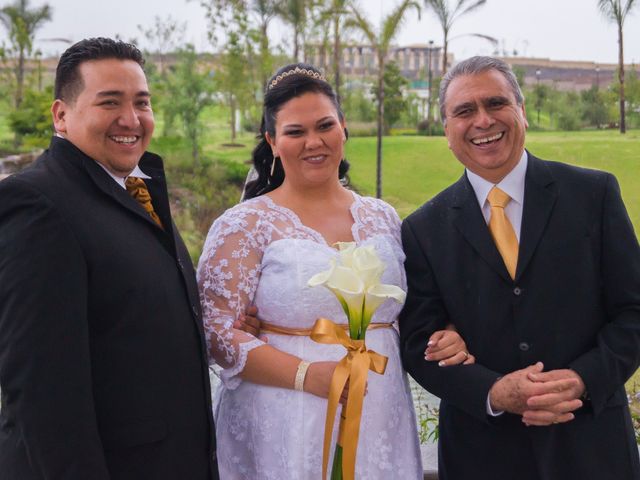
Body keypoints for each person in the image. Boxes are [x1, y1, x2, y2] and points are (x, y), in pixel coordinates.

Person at [197, 63, 472, 479]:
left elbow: (418, 305)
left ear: (343, 128)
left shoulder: (383, 217)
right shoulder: (244, 225)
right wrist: (310, 376)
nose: (314, 142)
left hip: (380, 409)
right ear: (272, 141)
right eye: (295, 132)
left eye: (325, 125)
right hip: (286, 413)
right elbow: (215, 332)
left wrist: (448, 329)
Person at [399, 55, 640, 480]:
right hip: (482, 454)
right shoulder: (421, 229)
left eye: (496, 103)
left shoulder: (594, 195)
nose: (483, 120)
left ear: (521, 111)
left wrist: (582, 380)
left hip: (591, 445)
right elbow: (420, 342)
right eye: (464, 111)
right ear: (446, 129)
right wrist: (492, 391)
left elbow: (634, 311)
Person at [0, 38, 218, 479]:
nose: (131, 119)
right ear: (61, 115)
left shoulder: (137, 189)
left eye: (142, 102)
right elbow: (43, 394)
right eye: (110, 102)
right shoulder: (38, 205)